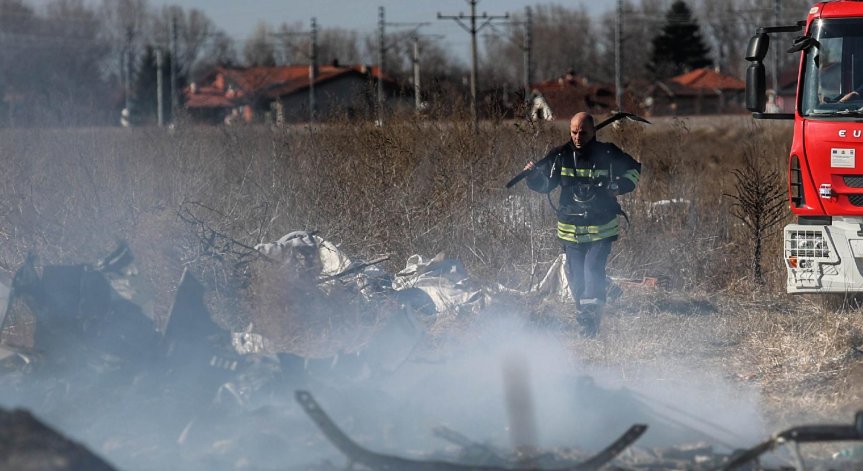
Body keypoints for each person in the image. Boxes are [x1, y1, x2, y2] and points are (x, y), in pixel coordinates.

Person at [523, 112, 641, 337]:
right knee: (576, 278)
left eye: (583, 132)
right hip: (570, 230)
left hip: (601, 228)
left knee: (592, 270)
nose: (577, 137)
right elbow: (547, 185)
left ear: (594, 131)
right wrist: (532, 176)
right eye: (574, 132)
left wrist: (617, 186)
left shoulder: (608, 153)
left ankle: (590, 317)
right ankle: (586, 315)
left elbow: (634, 170)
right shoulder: (560, 156)